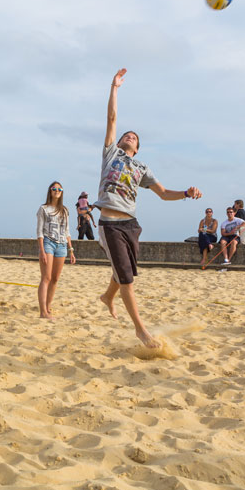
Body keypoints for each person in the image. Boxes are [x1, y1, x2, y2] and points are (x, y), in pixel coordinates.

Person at [94, 68, 201, 348]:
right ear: (118, 142)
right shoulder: (111, 154)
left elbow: (164, 194)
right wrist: (114, 87)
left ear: (138, 149)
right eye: (125, 135)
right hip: (110, 222)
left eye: (133, 137)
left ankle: (107, 297)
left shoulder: (142, 168)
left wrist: (186, 194)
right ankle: (142, 331)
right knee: (126, 278)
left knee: (126, 270)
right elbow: (112, 118)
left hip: (131, 224)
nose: (128, 136)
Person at [36, 181, 76, 319]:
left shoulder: (65, 210)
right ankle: (43, 312)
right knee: (46, 277)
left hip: (62, 245)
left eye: (59, 189)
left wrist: (71, 250)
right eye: (54, 189)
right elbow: (39, 231)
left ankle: (47, 306)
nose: (57, 191)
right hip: (48, 243)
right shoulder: (43, 209)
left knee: (55, 279)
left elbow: (67, 231)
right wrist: (41, 250)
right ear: (50, 191)